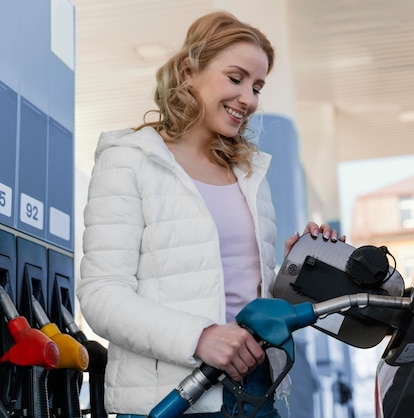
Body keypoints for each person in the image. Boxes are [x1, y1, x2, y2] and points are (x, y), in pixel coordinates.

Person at [77, 11, 343, 417]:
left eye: (257, 86)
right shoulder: (130, 161)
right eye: (235, 79)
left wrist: (298, 269)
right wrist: (199, 337)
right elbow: (101, 295)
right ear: (188, 71)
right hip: (174, 396)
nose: (249, 99)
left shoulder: (250, 174)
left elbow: (244, 295)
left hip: (255, 390)